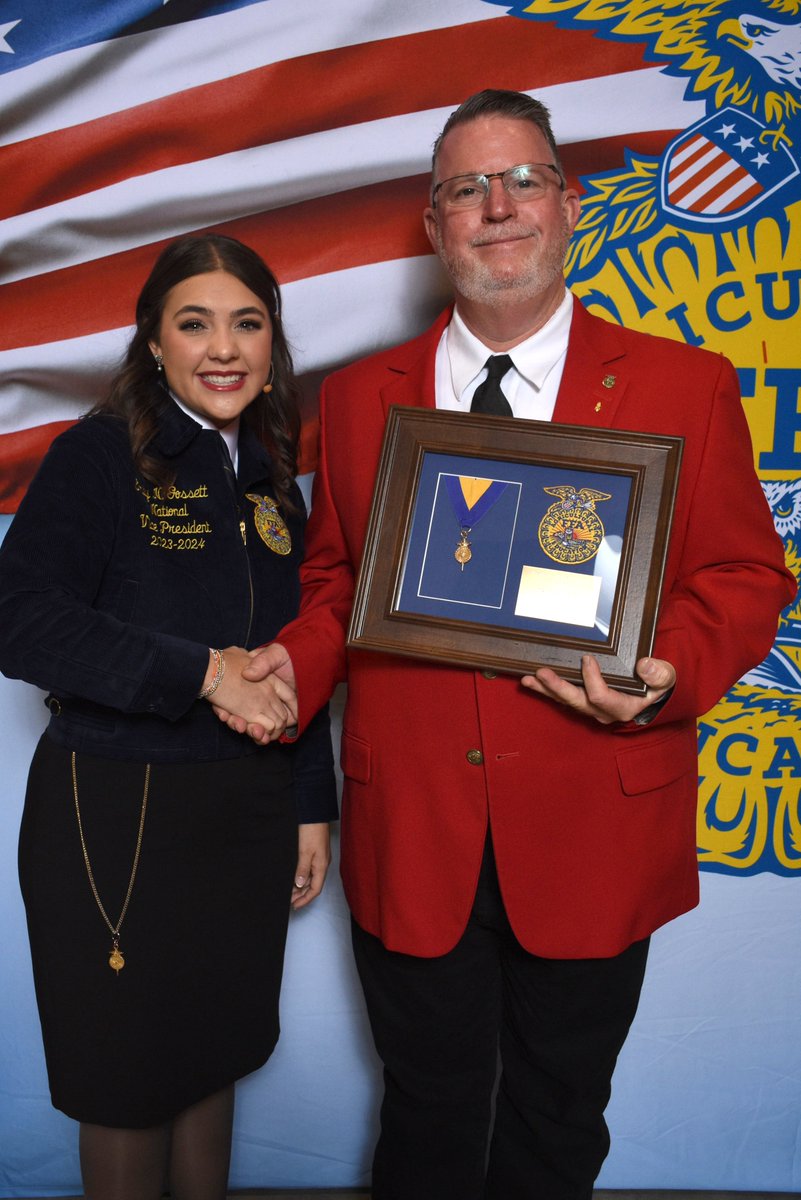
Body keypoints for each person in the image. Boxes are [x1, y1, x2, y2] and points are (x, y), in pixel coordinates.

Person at [222, 91, 795, 1198]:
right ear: (434, 227)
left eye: (523, 179)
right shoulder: (352, 401)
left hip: (594, 824)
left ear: (568, 207)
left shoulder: (686, 384)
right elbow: (339, 581)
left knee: (557, 1118)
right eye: (465, 190)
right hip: (417, 827)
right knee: (427, 1123)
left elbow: (742, 575)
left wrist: (666, 668)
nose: (497, 207)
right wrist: (297, 659)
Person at [0, 234, 337, 1200]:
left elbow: (301, 647)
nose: (222, 348)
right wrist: (201, 675)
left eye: (247, 323)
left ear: (273, 341)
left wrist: (310, 799)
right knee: (128, 1085)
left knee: (211, 1060)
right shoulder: (100, 455)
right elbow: (19, 620)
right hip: (118, 817)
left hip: (246, 817)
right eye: (194, 324)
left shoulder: (271, 478)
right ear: (153, 341)